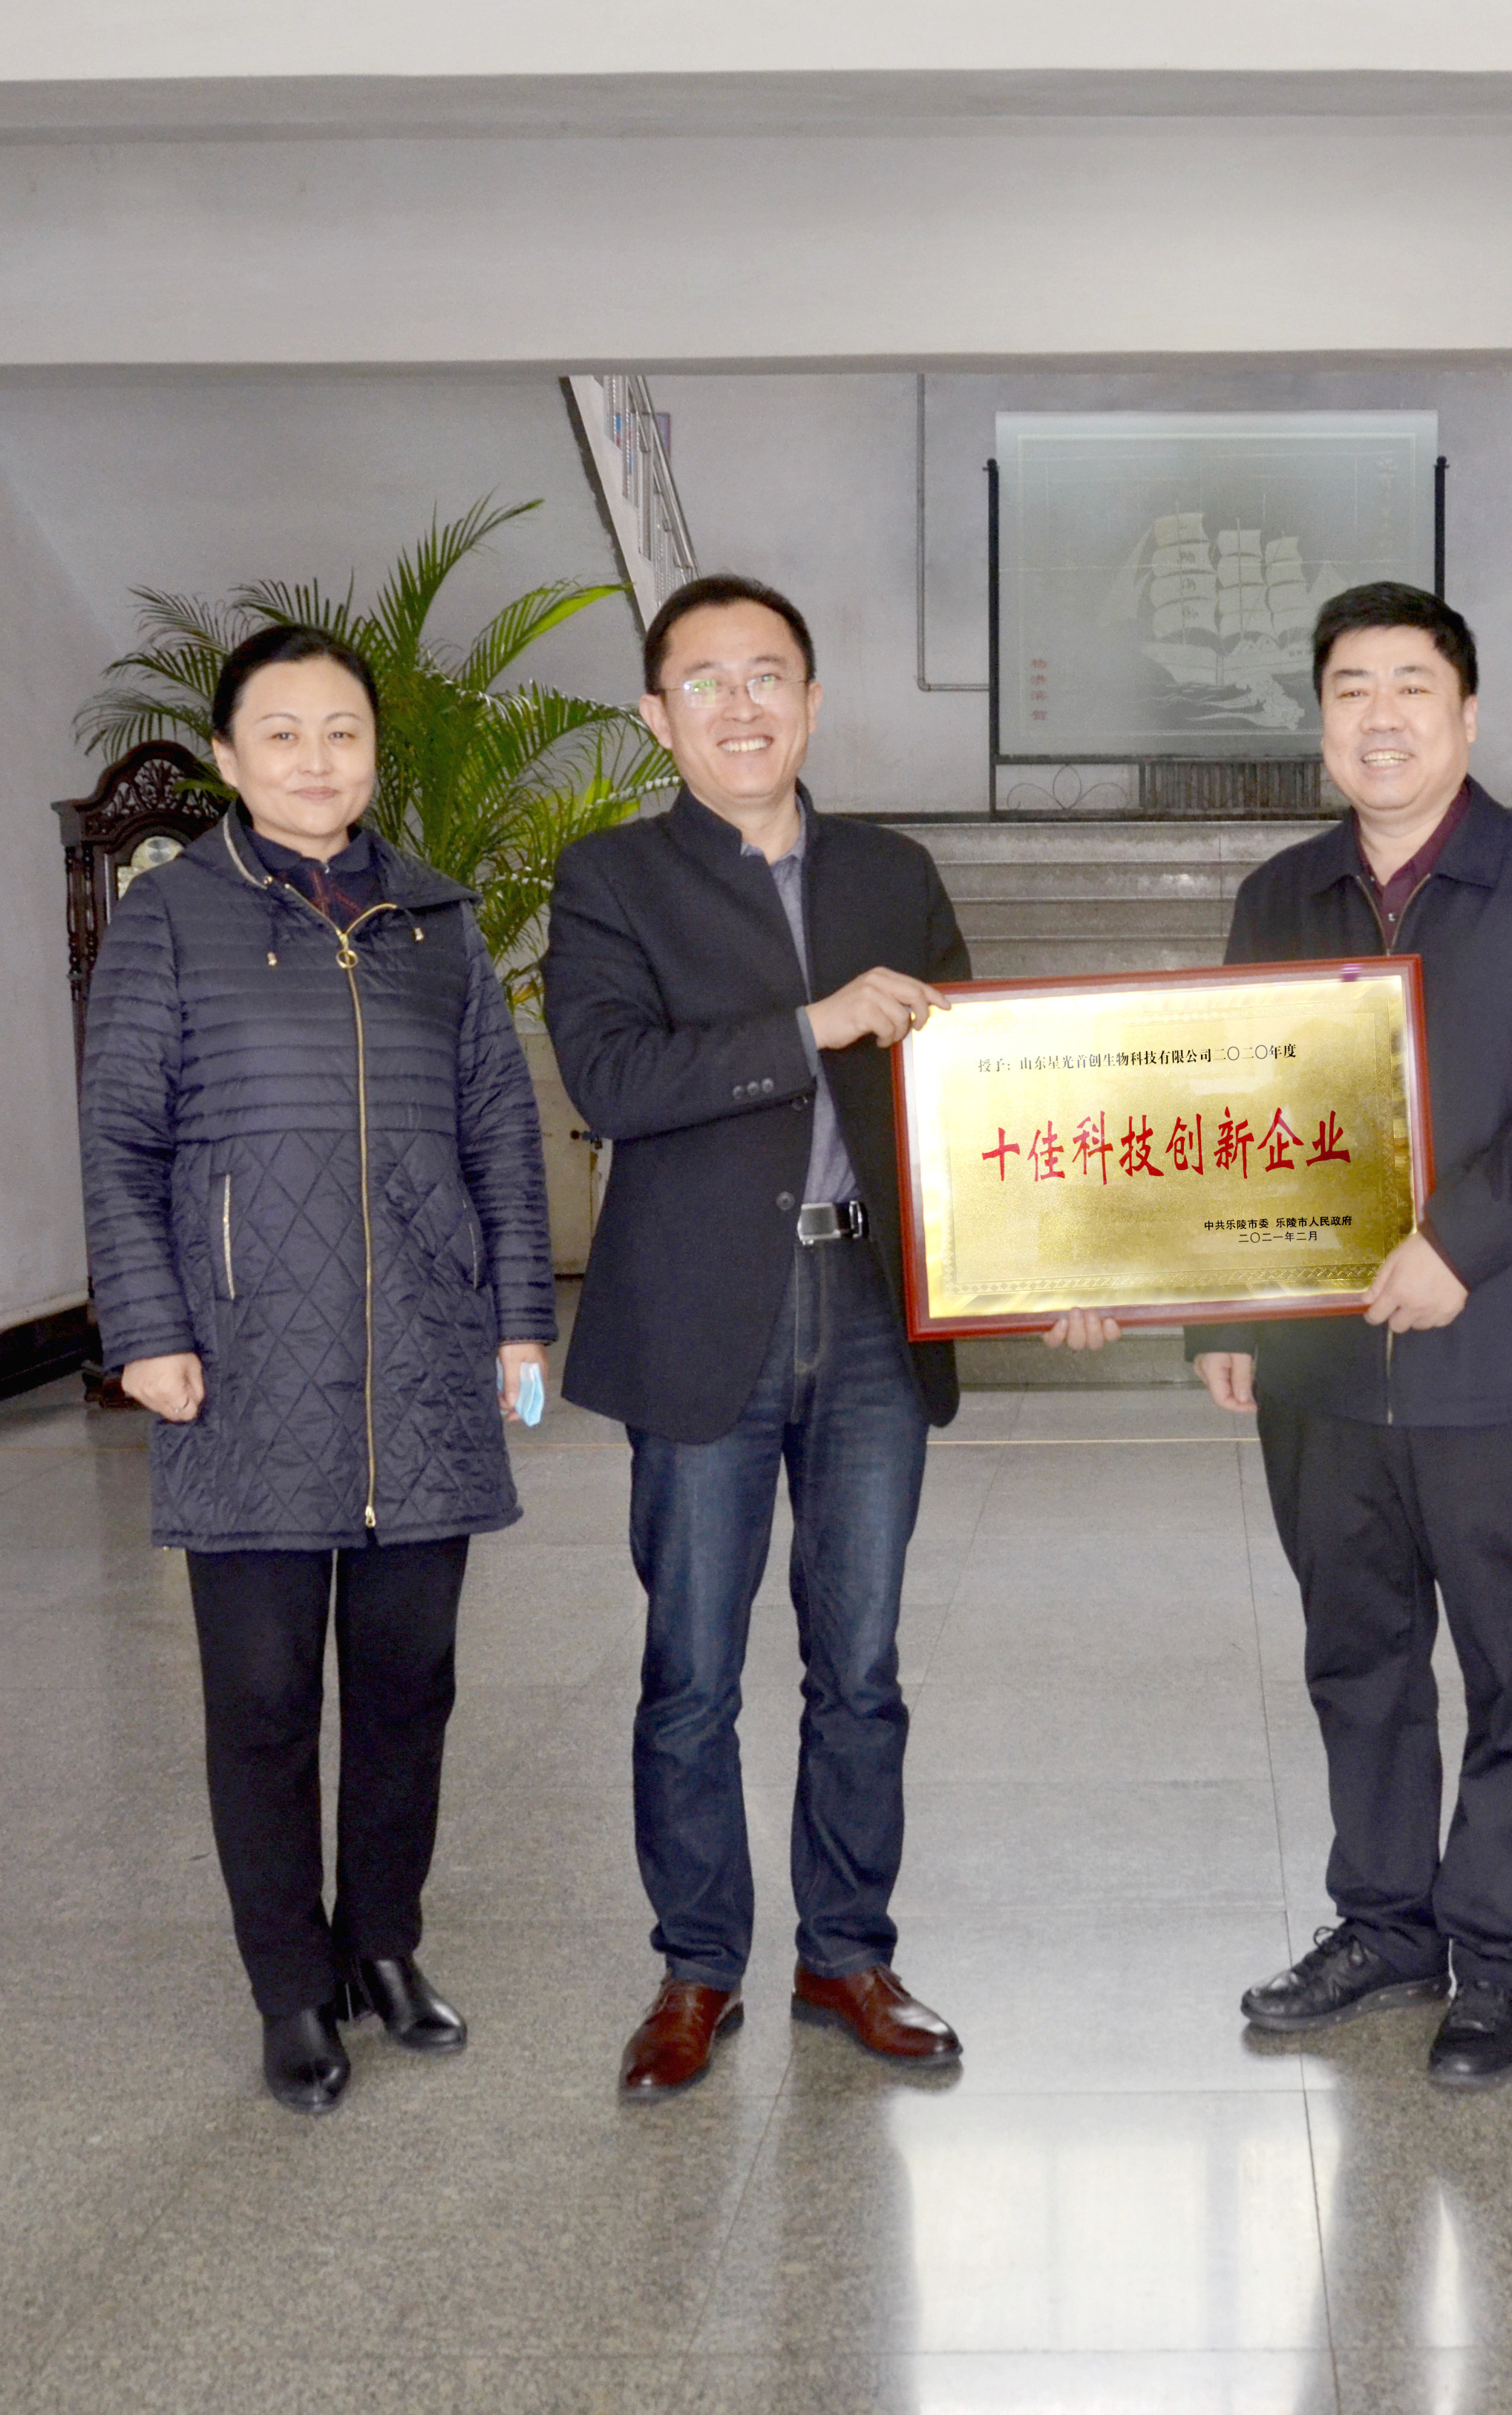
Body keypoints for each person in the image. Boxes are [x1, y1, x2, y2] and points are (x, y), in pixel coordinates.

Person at [1055, 581, 1512, 2089]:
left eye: (1410, 686)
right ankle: (1384, 1928)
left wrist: (1460, 1243)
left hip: (1500, 1360)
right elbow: (1230, 1105)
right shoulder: (1282, 894)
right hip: (1320, 1371)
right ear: (1320, 720)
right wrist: (1219, 1307)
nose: (1380, 717)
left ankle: (1499, 1963)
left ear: (1468, 713)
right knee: (1358, 1660)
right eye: (1350, 690)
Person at [80, 623, 557, 2114]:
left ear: (373, 753)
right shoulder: (172, 919)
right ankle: (290, 1986)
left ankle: (384, 1947)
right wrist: (146, 1328)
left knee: (411, 1686)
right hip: (243, 1360)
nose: (314, 759)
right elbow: (120, 1139)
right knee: (266, 1699)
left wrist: (518, 1316)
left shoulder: (436, 918)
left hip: (422, 1358)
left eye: (341, 731)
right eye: (280, 733)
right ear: (229, 758)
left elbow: (499, 1130)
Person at [542, 572, 973, 2098]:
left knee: (860, 1664)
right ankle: (697, 1968)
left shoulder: (894, 872)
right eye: (706, 682)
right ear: (657, 717)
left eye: (769, 675)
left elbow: (975, 1089)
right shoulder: (611, 878)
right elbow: (611, 1078)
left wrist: (1044, 1255)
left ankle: (846, 1952)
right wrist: (810, 1027)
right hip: (697, 1317)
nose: (742, 705)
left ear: (813, 700)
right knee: (691, 1671)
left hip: (869, 1309)